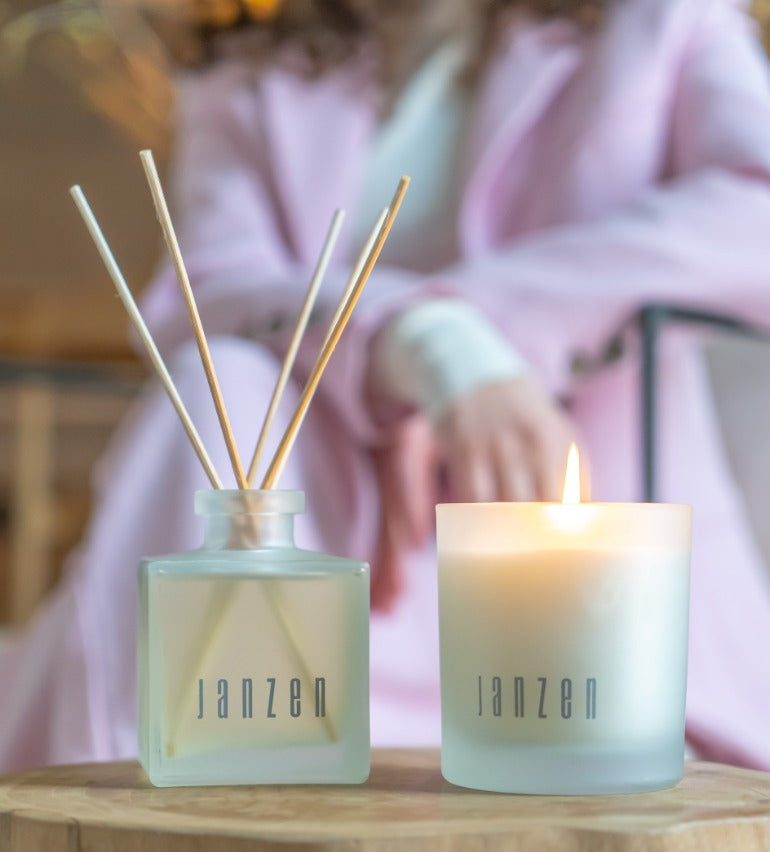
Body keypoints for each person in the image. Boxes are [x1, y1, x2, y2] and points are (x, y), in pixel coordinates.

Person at [1, 0, 770, 770]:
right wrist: (413, 344)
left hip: (571, 578)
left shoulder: (663, 21)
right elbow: (211, 290)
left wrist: (479, 339)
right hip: (317, 543)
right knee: (222, 374)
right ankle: (176, 771)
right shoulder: (246, 75)